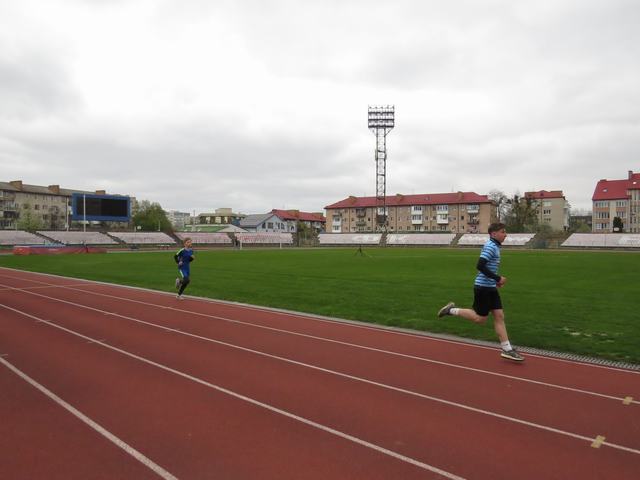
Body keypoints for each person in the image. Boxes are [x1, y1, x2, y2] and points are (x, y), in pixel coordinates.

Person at [437, 222, 524, 362]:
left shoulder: (495, 246)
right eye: (503, 232)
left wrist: (495, 281)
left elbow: (487, 267)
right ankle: (451, 310)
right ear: (494, 234)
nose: (505, 234)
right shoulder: (491, 246)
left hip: (490, 287)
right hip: (483, 288)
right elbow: (480, 265)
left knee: (499, 316)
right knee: (480, 319)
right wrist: (498, 278)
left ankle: (507, 349)